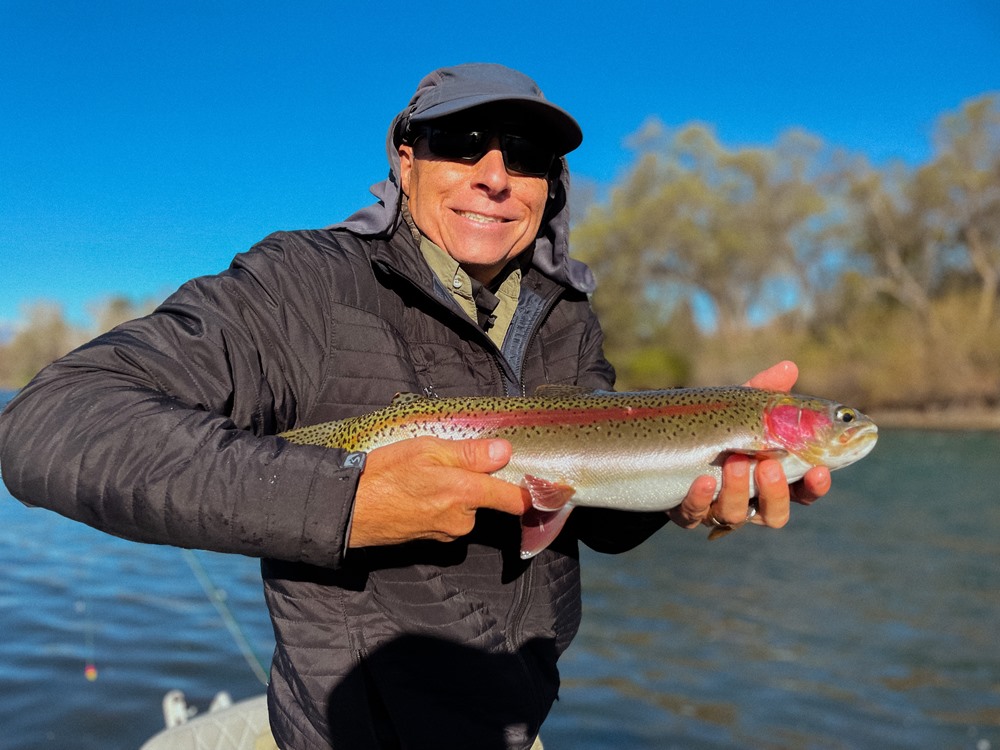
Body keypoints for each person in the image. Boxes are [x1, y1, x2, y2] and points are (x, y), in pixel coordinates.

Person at [0, 63, 830, 749]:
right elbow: (52, 421)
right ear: (405, 157)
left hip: (515, 726)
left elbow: (588, 508)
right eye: (461, 141)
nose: (496, 174)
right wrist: (351, 499)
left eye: (528, 153)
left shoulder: (566, 317)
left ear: (552, 185)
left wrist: (684, 486)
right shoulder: (303, 284)